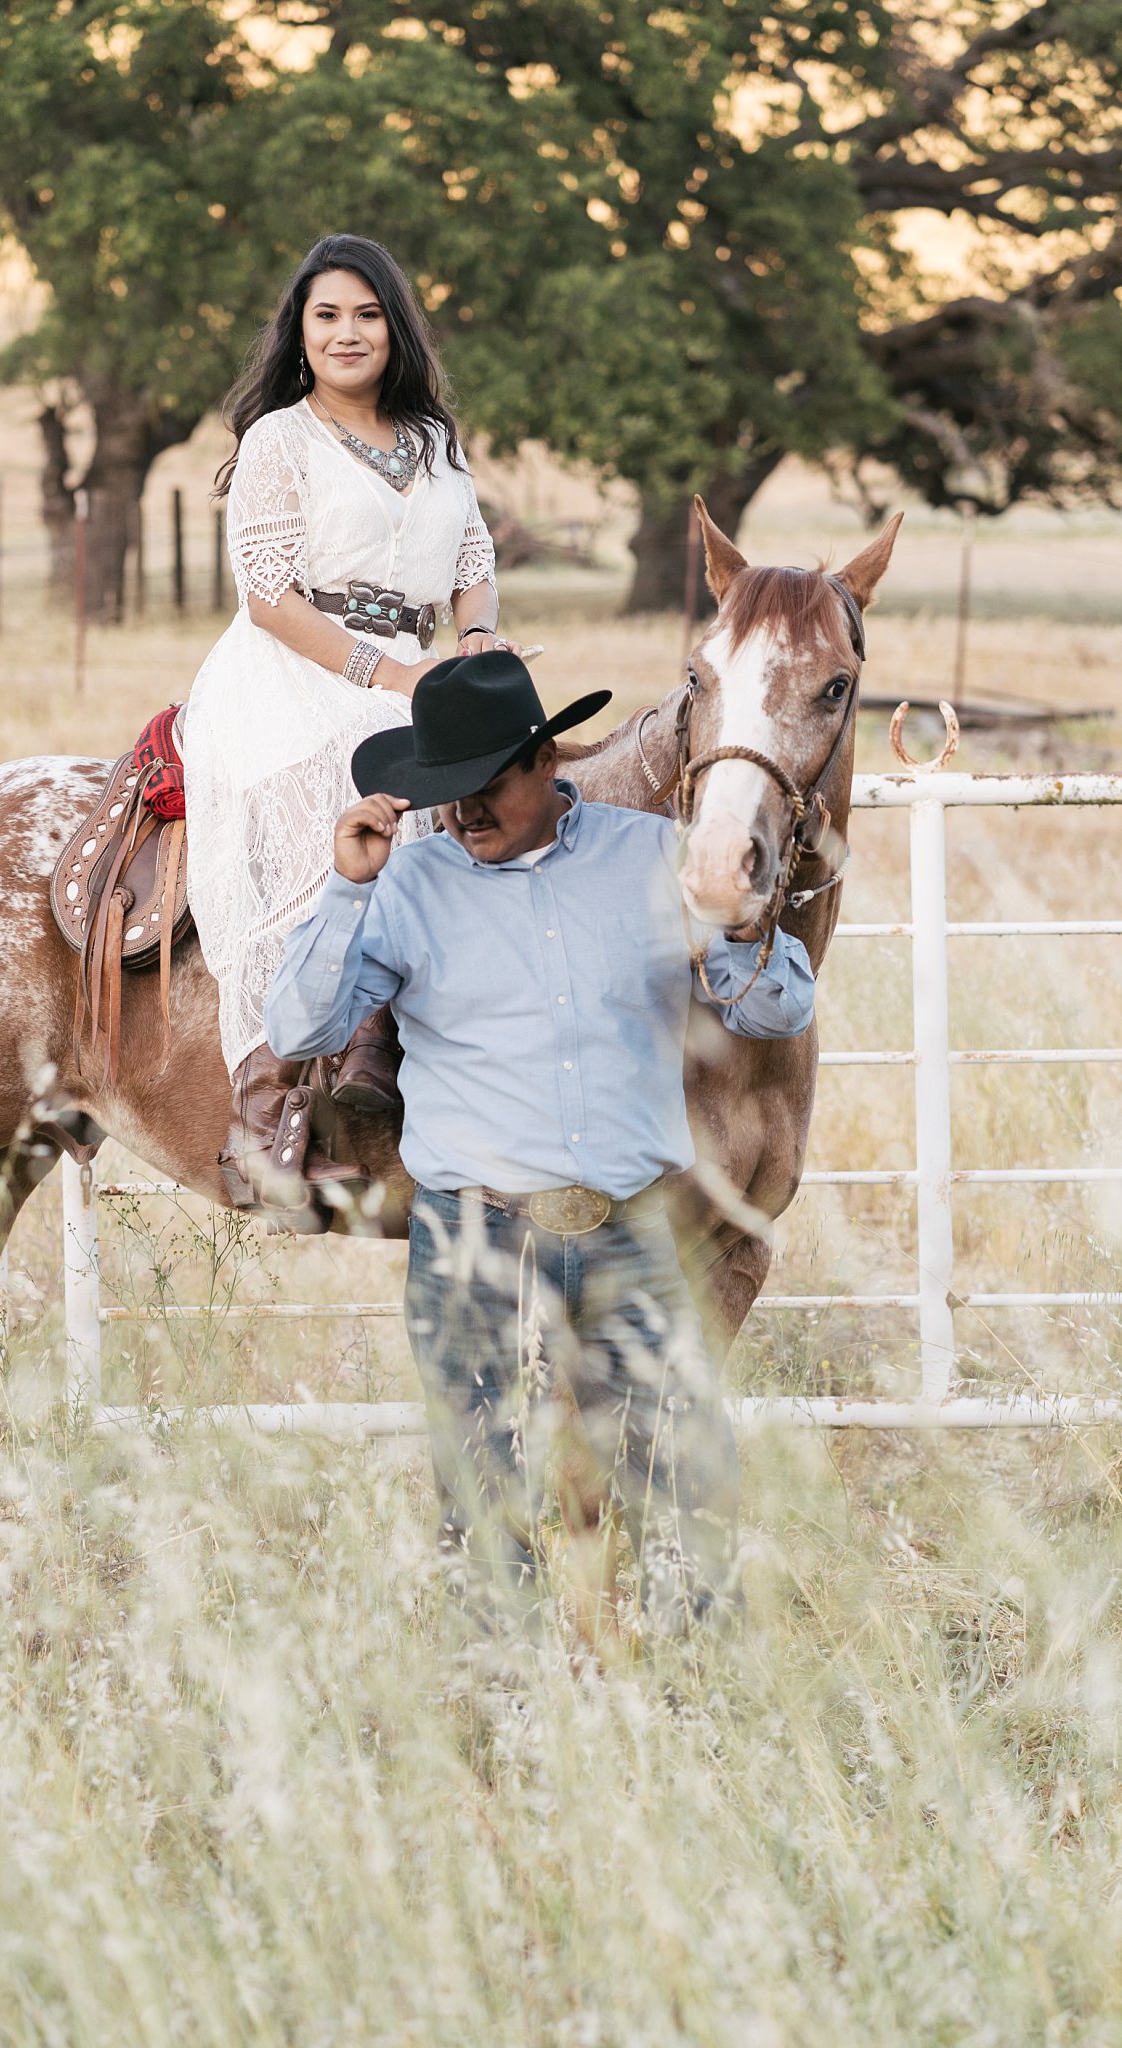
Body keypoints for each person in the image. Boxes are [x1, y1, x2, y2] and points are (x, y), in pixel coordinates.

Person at [262, 650, 817, 1633]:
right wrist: (345, 888)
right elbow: (304, 1031)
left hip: (635, 1231)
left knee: (683, 1481)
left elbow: (774, 1010)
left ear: (546, 757)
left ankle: (687, 1706)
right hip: (475, 1236)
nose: (463, 811)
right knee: (483, 1493)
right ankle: (502, 1724)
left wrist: (736, 929)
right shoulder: (404, 882)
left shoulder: (652, 855)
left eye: (485, 786)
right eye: (444, 791)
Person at [181, 232, 508, 1209]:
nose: (347, 331)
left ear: (394, 325)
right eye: (326, 315)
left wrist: (479, 636)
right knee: (351, 784)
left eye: (366, 312)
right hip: (295, 667)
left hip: (419, 667)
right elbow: (271, 594)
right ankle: (287, 1087)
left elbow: (473, 559)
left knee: (528, 792)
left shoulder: (437, 440)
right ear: (301, 332)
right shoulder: (281, 439)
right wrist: (393, 672)